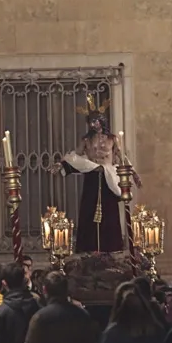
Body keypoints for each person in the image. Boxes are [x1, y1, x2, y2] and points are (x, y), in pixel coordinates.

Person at [50, 94, 141, 254]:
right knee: (89, 211)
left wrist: (133, 173)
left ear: (102, 121)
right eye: (91, 121)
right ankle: (90, 248)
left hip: (108, 178)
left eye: (95, 121)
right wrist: (61, 163)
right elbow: (75, 157)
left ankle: (110, 247)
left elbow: (121, 158)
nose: (93, 124)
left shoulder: (112, 139)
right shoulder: (86, 140)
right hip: (92, 177)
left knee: (109, 212)